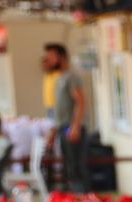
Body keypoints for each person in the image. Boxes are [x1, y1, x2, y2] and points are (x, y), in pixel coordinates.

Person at [42, 43, 88, 192]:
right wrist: (53, 130)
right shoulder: (58, 78)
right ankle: (74, 200)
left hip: (71, 127)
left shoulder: (71, 77)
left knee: (76, 167)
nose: (47, 60)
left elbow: (80, 102)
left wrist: (75, 126)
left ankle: (84, 199)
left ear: (61, 57)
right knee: (68, 167)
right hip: (62, 127)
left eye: (51, 57)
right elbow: (59, 110)